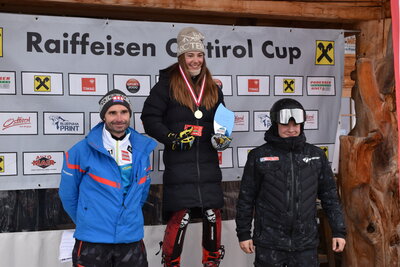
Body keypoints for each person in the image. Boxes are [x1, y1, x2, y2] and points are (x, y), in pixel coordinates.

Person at [141, 27, 229, 267]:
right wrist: (172, 137)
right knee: (181, 216)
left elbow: (222, 122)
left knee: (213, 215)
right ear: (181, 57)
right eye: (190, 55)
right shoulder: (166, 86)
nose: (195, 60)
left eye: (199, 55)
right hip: (180, 167)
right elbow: (149, 119)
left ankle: (212, 262)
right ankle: (171, 263)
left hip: (208, 167)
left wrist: (222, 137)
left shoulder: (213, 88)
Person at [235, 98, 346, 267]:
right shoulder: (259, 156)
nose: (291, 129)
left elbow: (330, 197)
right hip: (269, 243)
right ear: (275, 124)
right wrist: (244, 234)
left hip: (305, 244)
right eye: (286, 125)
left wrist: (338, 231)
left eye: (296, 125)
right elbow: (246, 199)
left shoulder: (316, 155)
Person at [59, 89, 157, 267]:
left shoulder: (142, 149)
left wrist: (129, 217)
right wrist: (88, 220)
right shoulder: (80, 151)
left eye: (124, 112)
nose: (119, 118)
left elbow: (142, 193)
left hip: (131, 238)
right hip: (93, 238)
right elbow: (68, 195)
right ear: (104, 116)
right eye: (112, 113)